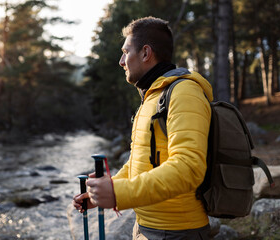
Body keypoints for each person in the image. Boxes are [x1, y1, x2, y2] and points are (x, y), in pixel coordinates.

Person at [73, 16, 214, 240]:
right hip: (146, 228)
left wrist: (118, 194)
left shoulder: (184, 93)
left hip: (178, 232)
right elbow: (141, 162)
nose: (121, 61)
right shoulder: (152, 96)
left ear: (146, 53)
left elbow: (189, 167)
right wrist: (105, 191)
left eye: (126, 52)